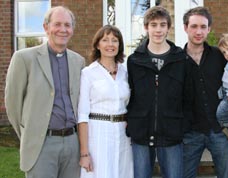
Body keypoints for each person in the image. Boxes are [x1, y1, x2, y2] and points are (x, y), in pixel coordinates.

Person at [5, 6, 85, 178]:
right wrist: (29, 134)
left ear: (72, 29)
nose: (63, 30)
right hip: (41, 144)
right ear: (46, 27)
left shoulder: (78, 61)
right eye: (57, 24)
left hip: (72, 144)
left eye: (67, 25)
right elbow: (13, 106)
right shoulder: (24, 59)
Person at [126, 6, 193, 178]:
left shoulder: (181, 59)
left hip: (171, 132)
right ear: (146, 27)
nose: (158, 30)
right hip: (141, 132)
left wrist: (182, 126)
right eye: (153, 25)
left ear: (168, 28)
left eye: (162, 25)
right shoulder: (134, 61)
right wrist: (132, 124)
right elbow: (130, 95)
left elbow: (188, 98)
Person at [182, 7, 228, 178]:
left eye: (203, 27)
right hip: (189, 132)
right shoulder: (177, 60)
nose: (198, 31)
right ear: (185, 28)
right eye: (194, 26)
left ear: (209, 29)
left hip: (220, 130)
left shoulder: (220, 56)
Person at [77, 25, 133, 178]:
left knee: (122, 173)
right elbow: (82, 115)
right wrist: (84, 153)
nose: (110, 44)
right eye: (105, 40)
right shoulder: (88, 73)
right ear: (97, 45)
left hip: (123, 136)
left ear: (119, 45)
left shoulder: (125, 72)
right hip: (98, 134)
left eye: (115, 40)